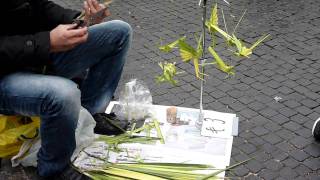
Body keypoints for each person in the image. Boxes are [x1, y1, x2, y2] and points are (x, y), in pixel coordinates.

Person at [0, 0, 132, 179]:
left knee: (119, 32)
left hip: (34, 58)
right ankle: (54, 168)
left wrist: (81, 19)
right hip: (5, 77)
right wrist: (46, 42)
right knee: (63, 94)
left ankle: (91, 113)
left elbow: (39, 7)